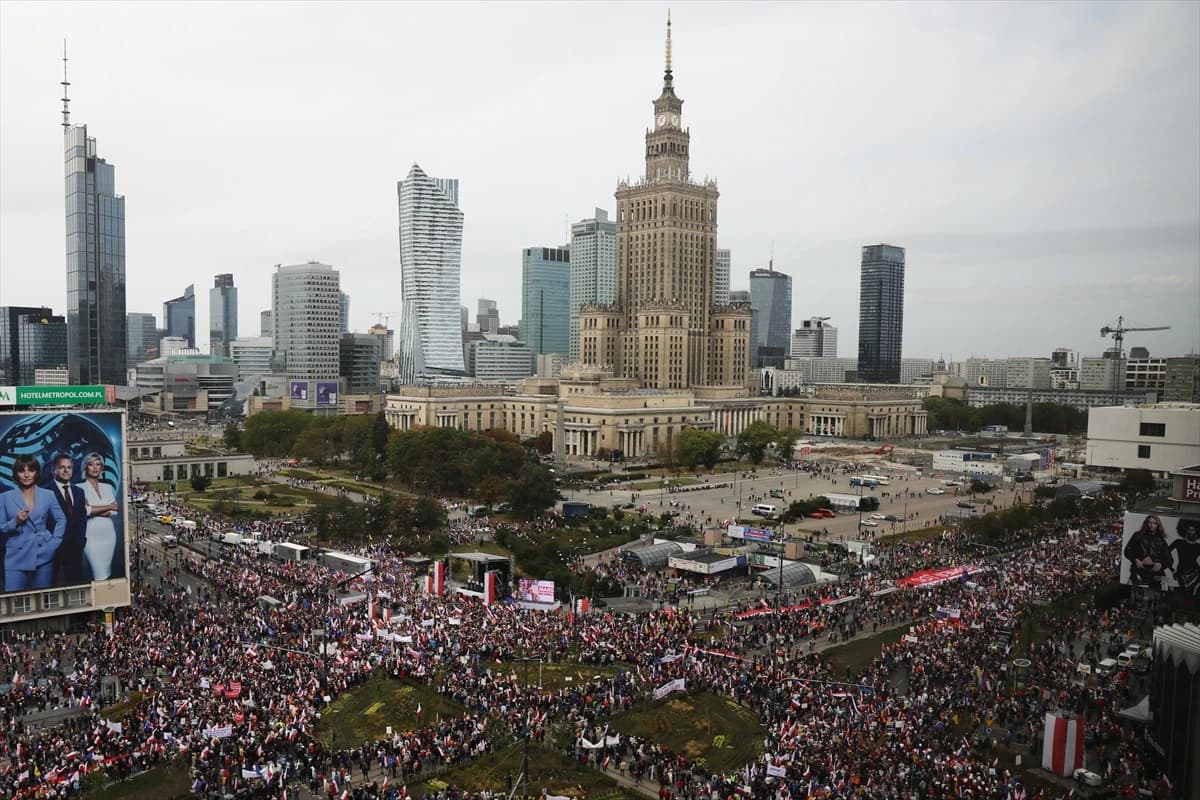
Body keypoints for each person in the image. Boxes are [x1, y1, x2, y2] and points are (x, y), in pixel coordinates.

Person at [0, 454, 67, 591]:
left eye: (30, 470)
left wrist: (54, 544)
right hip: (16, 557)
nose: (26, 474)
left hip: (43, 554)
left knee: (42, 600)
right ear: (16, 474)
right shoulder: (5, 498)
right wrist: (15, 521)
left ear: (36, 472)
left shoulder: (48, 495)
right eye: (21, 470)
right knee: (14, 601)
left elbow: (61, 519)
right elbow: (1, 528)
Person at [47, 453, 89, 585]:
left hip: (75, 549)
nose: (66, 470)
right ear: (54, 470)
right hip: (53, 550)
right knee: (51, 586)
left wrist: (81, 540)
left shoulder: (79, 492)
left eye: (69, 467)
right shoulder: (45, 491)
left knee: (75, 586)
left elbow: (82, 519)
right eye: (62, 467)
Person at [81, 452, 120, 580]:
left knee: (107, 572)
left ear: (102, 468)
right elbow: (85, 511)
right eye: (91, 464)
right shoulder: (79, 488)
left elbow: (116, 511)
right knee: (99, 573)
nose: (95, 467)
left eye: (98, 464)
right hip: (91, 535)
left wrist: (94, 509)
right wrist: (108, 506)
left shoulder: (107, 487)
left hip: (109, 535)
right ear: (85, 467)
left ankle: (106, 596)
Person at [1123, 514, 1171, 589]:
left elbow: (1169, 559)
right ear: (1146, 523)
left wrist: (1161, 565)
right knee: (1129, 592)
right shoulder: (1138, 535)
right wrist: (1135, 559)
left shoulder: (1161, 541)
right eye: (1149, 522)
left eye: (1154, 523)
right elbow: (1127, 551)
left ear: (1158, 525)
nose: (1151, 525)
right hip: (1138, 571)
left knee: (1163, 593)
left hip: (1156, 573)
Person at [1170, 517, 1200, 597]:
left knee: (1192, 595)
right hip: (1181, 572)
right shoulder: (1178, 542)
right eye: (1189, 529)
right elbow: (1165, 554)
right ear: (1185, 530)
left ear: (1196, 531)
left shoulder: (1198, 546)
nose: (1191, 532)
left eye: (1193, 530)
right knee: (1182, 594)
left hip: (1196, 573)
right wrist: (1171, 569)